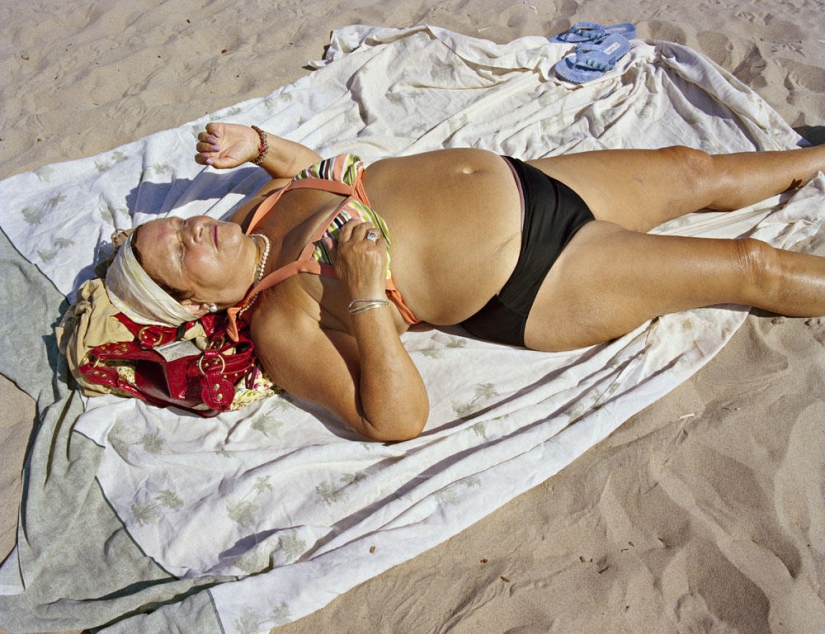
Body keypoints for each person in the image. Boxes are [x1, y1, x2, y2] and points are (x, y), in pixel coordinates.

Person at [104, 122, 825, 441]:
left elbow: (313, 170)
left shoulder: (259, 210)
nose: (194, 229)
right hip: (539, 277)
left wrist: (259, 146)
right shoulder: (279, 324)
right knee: (749, 264)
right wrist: (366, 297)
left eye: (179, 222)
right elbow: (391, 420)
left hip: (534, 186)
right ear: (192, 300)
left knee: (692, 168)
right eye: (181, 251)